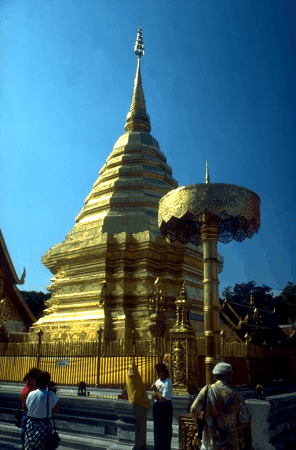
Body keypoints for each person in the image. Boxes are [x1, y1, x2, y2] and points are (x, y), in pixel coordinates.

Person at [190, 362, 250, 450]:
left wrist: (199, 426)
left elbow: (193, 410)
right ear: (228, 375)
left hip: (210, 444)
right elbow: (244, 422)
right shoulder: (236, 396)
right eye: (231, 374)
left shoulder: (206, 390)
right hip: (229, 445)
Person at [24, 371, 59, 450]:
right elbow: (56, 411)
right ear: (48, 383)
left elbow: (27, 408)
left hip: (31, 425)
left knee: (30, 446)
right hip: (44, 426)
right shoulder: (51, 395)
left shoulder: (31, 394)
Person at [126, 363, 150, 450]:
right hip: (140, 404)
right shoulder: (134, 379)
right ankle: (139, 445)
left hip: (138, 404)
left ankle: (139, 445)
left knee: (139, 427)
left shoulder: (131, 379)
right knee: (140, 427)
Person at [152, 363, 173, 450]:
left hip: (165, 408)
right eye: (156, 372)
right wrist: (154, 395)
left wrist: (156, 390)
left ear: (163, 371)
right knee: (157, 431)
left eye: (159, 371)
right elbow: (154, 397)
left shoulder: (168, 382)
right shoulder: (157, 382)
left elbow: (164, 399)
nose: (157, 373)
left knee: (165, 431)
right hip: (157, 407)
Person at [20, 368, 41, 450]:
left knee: (25, 437)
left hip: (26, 412)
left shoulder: (27, 384)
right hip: (31, 414)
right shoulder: (34, 384)